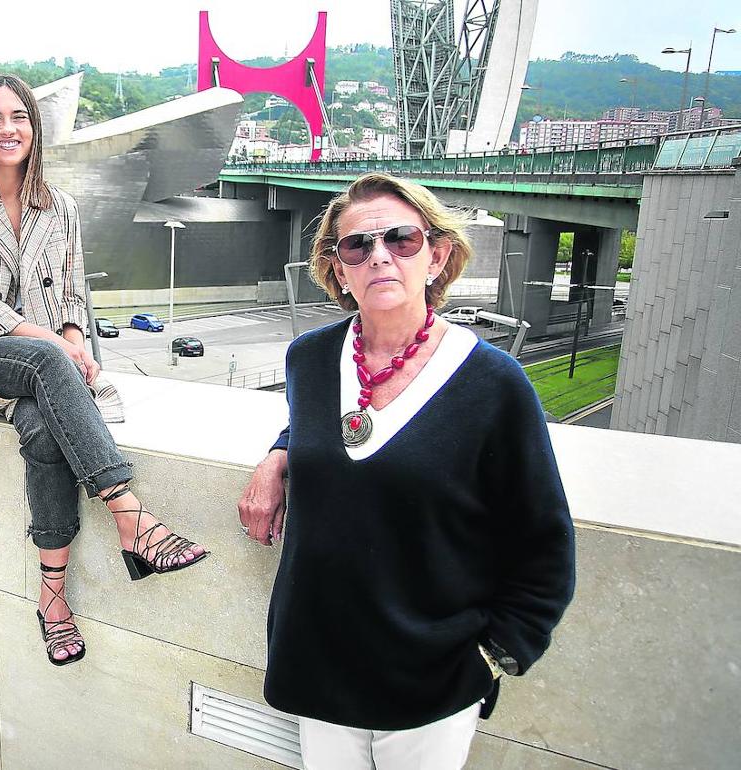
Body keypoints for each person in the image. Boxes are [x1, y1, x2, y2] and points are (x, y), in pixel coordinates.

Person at [238, 173, 575, 768]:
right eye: (357, 246)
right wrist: (278, 452)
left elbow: (543, 539)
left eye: (402, 240)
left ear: (438, 255)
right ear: (339, 269)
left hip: (432, 682)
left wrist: (496, 654)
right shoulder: (310, 359)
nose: (380, 257)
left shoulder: (493, 383)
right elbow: (324, 431)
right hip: (320, 660)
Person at [0, 74, 207, 667]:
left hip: (43, 371)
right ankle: (130, 517)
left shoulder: (63, 208)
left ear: (35, 128)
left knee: (41, 430)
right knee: (47, 361)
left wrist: (74, 335)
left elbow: (75, 293)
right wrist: (54, 341)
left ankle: (53, 600)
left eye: (20, 117)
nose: (8, 129)